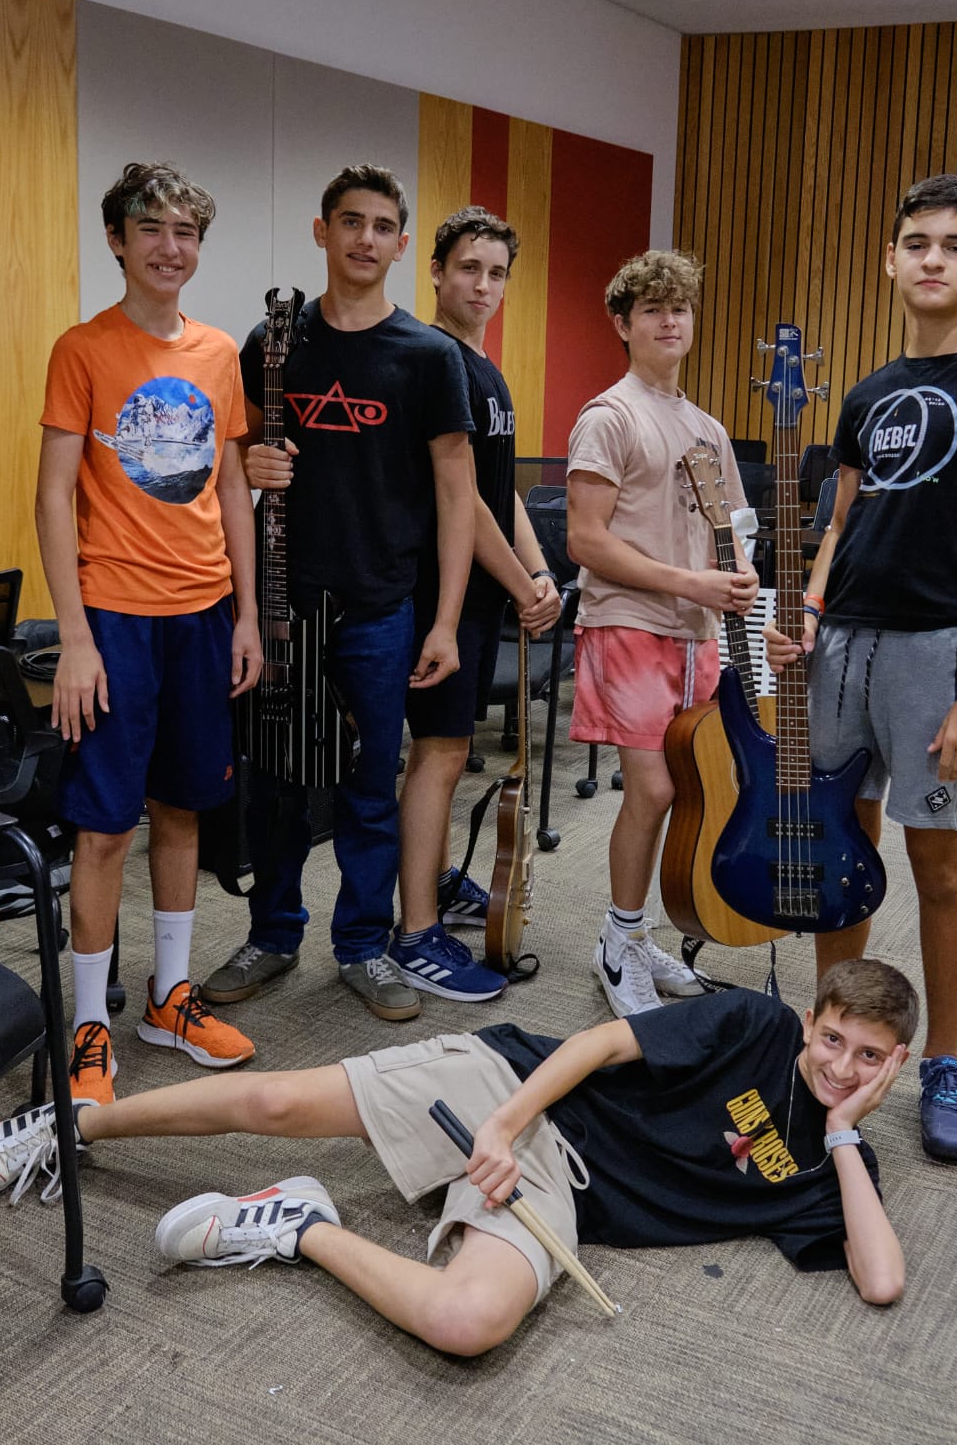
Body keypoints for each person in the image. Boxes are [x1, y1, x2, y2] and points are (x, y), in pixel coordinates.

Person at [0, 957, 918, 1352]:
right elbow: (595, 1045)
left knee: (467, 1322)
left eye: (868, 1059)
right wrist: (500, 1124)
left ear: (896, 1066)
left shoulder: (836, 1173)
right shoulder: (755, 1023)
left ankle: (299, 1223)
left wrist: (841, 1133)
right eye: (833, 1039)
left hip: (554, 1192)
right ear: (811, 1020)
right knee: (278, 1097)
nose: (841, 1065)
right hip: (520, 1090)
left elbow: (880, 1282)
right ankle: (72, 1126)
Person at [764, 174, 957, 1163]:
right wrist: (806, 612)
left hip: (940, 650)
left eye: (955, 244)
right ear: (890, 259)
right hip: (841, 645)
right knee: (838, 852)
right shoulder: (866, 394)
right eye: (918, 243)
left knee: (936, 860)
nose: (934, 259)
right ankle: (832, 1043)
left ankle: (945, 1061)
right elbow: (841, 523)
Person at [200, 164, 475, 1022]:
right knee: (277, 784)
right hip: (284, 602)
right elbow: (230, 462)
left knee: (367, 786)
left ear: (401, 243)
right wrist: (249, 463)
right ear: (322, 232)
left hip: (380, 607)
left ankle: (362, 944)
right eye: (350, 221)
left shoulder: (428, 356)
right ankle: (272, 935)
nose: (365, 238)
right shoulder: (274, 342)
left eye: (382, 226)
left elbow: (457, 493)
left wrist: (446, 621)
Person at [34, 161, 263, 1105]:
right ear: (118, 241)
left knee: (183, 810)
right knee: (102, 828)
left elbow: (233, 489)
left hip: (204, 616)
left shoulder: (218, 352)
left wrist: (248, 616)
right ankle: (90, 1023)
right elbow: (53, 495)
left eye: (186, 232)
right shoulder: (83, 349)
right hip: (115, 620)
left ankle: (170, 997)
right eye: (152, 229)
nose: (171, 248)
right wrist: (75, 638)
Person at [566, 249, 759, 1019]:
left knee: (688, 788)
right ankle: (618, 944)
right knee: (650, 787)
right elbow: (586, 539)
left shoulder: (707, 428)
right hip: (628, 624)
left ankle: (637, 934)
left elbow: (734, 530)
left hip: (696, 632)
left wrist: (743, 578)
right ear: (624, 324)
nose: (670, 321)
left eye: (679, 308)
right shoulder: (609, 416)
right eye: (652, 310)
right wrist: (690, 583)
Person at [389, 206, 562, 1001]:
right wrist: (523, 584)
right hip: (441, 596)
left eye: (496, 273)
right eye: (468, 268)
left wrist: (539, 571)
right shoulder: (436, 362)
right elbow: (463, 506)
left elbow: (502, 493)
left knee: (453, 753)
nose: (483, 285)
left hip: (489, 595)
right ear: (435, 271)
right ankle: (415, 932)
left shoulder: (485, 370)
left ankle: (430, 883)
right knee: (438, 753)